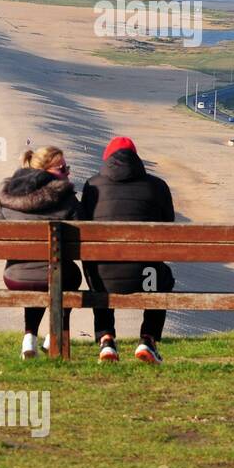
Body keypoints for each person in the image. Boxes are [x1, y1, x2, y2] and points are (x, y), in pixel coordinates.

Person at [79, 136, 176, 364]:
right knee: (163, 277)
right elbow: (169, 227)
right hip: (146, 278)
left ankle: (106, 339)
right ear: (137, 159)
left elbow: (84, 225)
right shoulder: (157, 185)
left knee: (96, 272)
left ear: (107, 159)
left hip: (103, 278)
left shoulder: (92, 185)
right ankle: (148, 339)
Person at [0, 146, 81, 359]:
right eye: (62, 168)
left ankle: (29, 338)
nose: (68, 173)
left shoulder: (8, 195)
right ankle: (55, 334)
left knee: (38, 275)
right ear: (46, 171)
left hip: (15, 277)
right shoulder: (67, 198)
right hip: (56, 274)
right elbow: (82, 238)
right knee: (67, 276)